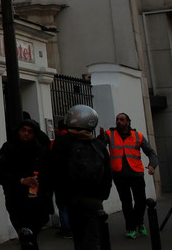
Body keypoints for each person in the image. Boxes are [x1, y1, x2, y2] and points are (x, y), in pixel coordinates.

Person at [46, 104, 112, 250]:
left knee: (79, 235)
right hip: (94, 197)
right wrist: (103, 194)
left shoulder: (63, 141)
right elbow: (107, 172)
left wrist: (59, 197)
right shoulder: (97, 144)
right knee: (93, 235)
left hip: (72, 196)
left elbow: (55, 169)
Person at [0, 118, 53, 245]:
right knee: (26, 236)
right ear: (18, 131)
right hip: (16, 200)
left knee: (31, 236)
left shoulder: (41, 150)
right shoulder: (9, 148)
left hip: (38, 201)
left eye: (30, 132)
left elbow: (50, 173)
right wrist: (20, 180)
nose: (26, 134)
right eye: (23, 130)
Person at [102, 112, 158, 238]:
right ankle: (131, 227)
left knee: (140, 201)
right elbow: (99, 145)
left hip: (136, 174)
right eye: (117, 119)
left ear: (128, 122)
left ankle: (139, 222)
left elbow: (151, 152)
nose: (118, 121)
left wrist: (152, 165)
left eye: (122, 119)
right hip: (119, 174)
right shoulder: (109, 134)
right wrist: (99, 138)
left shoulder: (138, 136)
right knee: (126, 202)